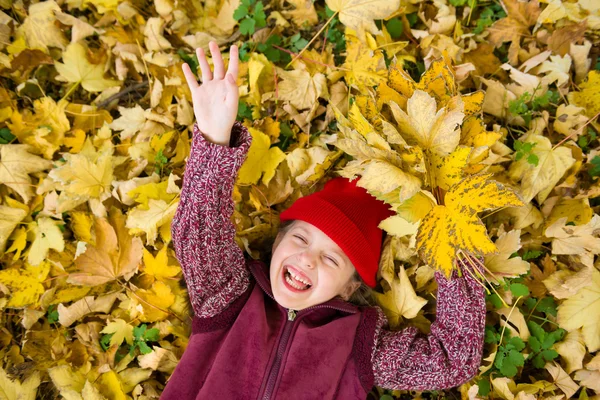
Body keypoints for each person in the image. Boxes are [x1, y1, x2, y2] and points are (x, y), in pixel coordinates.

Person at [161, 41, 487, 399]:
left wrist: (452, 243)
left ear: (350, 287)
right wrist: (213, 137)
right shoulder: (229, 296)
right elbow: (198, 228)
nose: (307, 258)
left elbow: (451, 360)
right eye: (301, 238)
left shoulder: (358, 346)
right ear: (278, 242)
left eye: (332, 258)